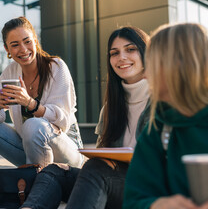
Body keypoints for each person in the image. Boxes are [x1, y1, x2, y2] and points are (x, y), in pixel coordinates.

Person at [21, 26, 150, 209]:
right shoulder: (110, 107)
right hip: (111, 182)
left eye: (130, 49)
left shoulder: (164, 101)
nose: (121, 57)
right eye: (114, 53)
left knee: (96, 169)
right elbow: (103, 154)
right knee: (54, 171)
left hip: (146, 187)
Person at [0, 16, 83, 168]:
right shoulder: (11, 71)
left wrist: (30, 103)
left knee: (33, 125)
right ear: (7, 49)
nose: (23, 49)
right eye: (15, 45)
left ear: (35, 40)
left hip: (67, 150)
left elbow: (62, 122)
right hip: (29, 151)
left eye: (27, 41)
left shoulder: (56, 67)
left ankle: (39, 186)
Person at [123, 23, 208, 209]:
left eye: (152, 64)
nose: (145, 75)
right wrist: (156, 205)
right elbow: (133, 201)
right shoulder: (158, 130)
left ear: (179, 66)